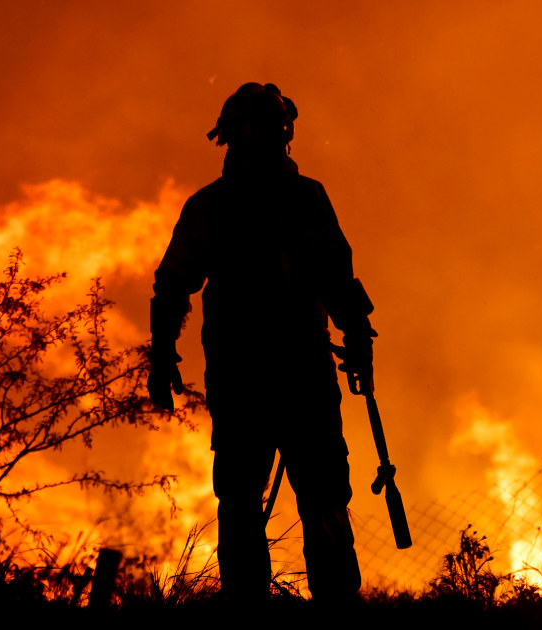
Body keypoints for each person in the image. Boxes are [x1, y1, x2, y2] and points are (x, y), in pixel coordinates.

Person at [147, 82, 374, 603]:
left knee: (247, 503)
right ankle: (336, 614)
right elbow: (339, 280)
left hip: (242, 377)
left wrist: (163, 357)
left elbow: (172, 285)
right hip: (299, 374)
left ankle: (249, 617)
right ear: (286, 133)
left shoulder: (211, 206)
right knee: (320, 499)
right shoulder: (303, 198)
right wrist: (358, 340)